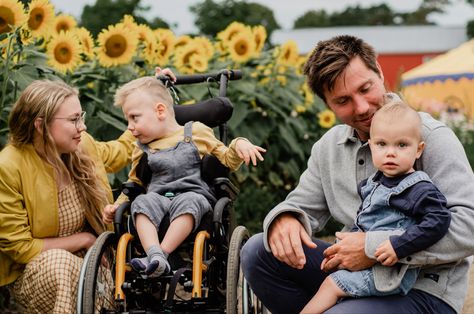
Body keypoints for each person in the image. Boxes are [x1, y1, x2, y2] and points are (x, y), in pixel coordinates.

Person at [241, 35, 474, 314]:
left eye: (365, 88)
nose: (362, 107)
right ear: (327, 104)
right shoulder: (329, 147)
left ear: (379, 71)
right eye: (343, 100)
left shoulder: (431, 138)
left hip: (422, 289)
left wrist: (373, 247)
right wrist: (286, 218)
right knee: (258, 251)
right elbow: (301, 205)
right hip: (354, 278)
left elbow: (468, 227)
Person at [103, 76, 266, 277]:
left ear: (160, 111)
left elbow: (226, 159)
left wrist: (239, 143)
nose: (129, 126)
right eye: (127, 119)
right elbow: (134, 183)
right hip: (158, 199)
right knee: (142, 202)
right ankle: (155, 255)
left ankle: (161, 254)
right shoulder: (141, 149)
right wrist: (117, 206)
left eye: (134, 118)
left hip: (193, 196)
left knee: (189, 200)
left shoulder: (196, 132)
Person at [301, 100, 451, 313]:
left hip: (392, 274)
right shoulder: (373, 184)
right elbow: (363, 222)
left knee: (331, 286)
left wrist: (398, 246)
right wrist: (340, 253)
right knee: (329, 281)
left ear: (418, 150)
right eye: (382, 144)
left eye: (401, 145)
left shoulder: (418, 189)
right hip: (373, 267)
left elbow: (439, 221)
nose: (391, 152)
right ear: (371, 146)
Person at [0, 79, 136, 313]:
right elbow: (20, 247)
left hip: (94, 263)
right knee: (60, 265)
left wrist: (153, 95)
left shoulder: (81, 146)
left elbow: (121, 150)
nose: (82, 127)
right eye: (74, 120)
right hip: (37, 271)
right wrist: (84, 240)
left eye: (80, 116)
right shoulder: (9, 167)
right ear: (40, 126)